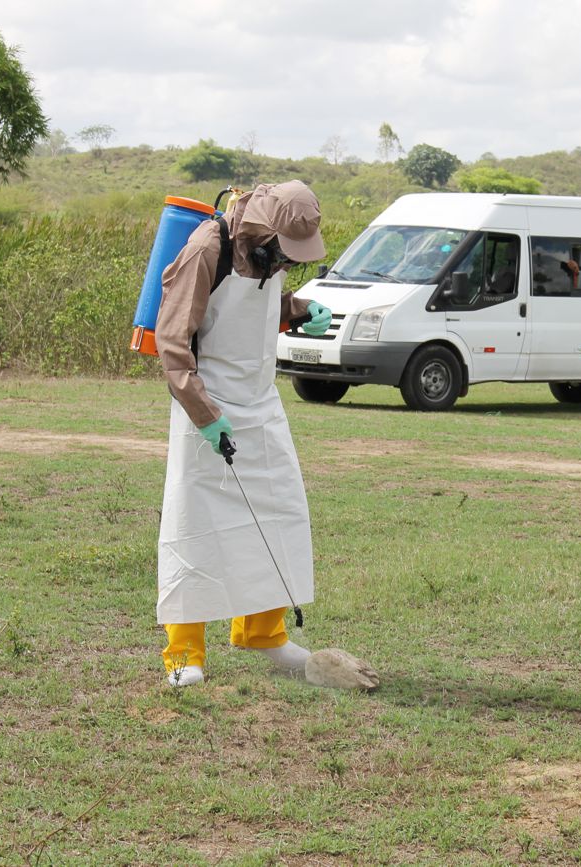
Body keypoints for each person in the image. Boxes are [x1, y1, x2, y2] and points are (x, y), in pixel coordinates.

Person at [154, 180, 333, 687]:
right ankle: (183, 654)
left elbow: (258, 303)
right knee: (196, 527)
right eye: (283, 253)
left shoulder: (265, 254)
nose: (285, 264)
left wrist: (299, 311)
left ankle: (263, 634)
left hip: (262, 406)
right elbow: (173, 343)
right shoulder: (206, 250)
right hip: (207, 410)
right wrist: (207, 417)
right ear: (263, 229)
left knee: (284, 515)